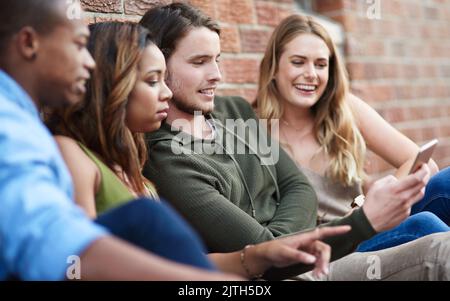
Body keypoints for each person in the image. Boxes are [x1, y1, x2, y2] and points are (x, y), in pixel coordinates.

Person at [139, 3, 450, 280]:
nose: (218, 74)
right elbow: (266, 250)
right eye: (200, 62)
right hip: (320, 251)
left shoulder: (233, 110)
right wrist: (289, 238)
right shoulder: (173, 156)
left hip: (335, 233)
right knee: (425, 227)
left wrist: (374, 200)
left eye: (217, 59)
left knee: (445, 184)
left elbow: (299, 188)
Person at [45, 21, 350, 280]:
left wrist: (260, 255)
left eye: (217, 59)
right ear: (112, 86)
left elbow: (298, 188)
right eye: (153, 81)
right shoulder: (76, 154)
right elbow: (81, 261)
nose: (164, 91)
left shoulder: (131, 161)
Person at [0, 0, 245, 281]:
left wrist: (254, 257)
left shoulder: (131, 158)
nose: (88, 63)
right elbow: (57, 246)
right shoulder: (16, 128)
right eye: (79, 44)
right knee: (144, 218)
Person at [255, 14, 450, 252]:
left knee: (446, 182)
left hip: (367, 225)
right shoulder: (255, 129)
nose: (311, 74)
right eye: (298, 62)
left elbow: (423, 163)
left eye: (320, 64)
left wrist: (369, 207)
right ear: (273, 67)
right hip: (325, 248)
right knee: (423, 225)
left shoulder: (343, 108)